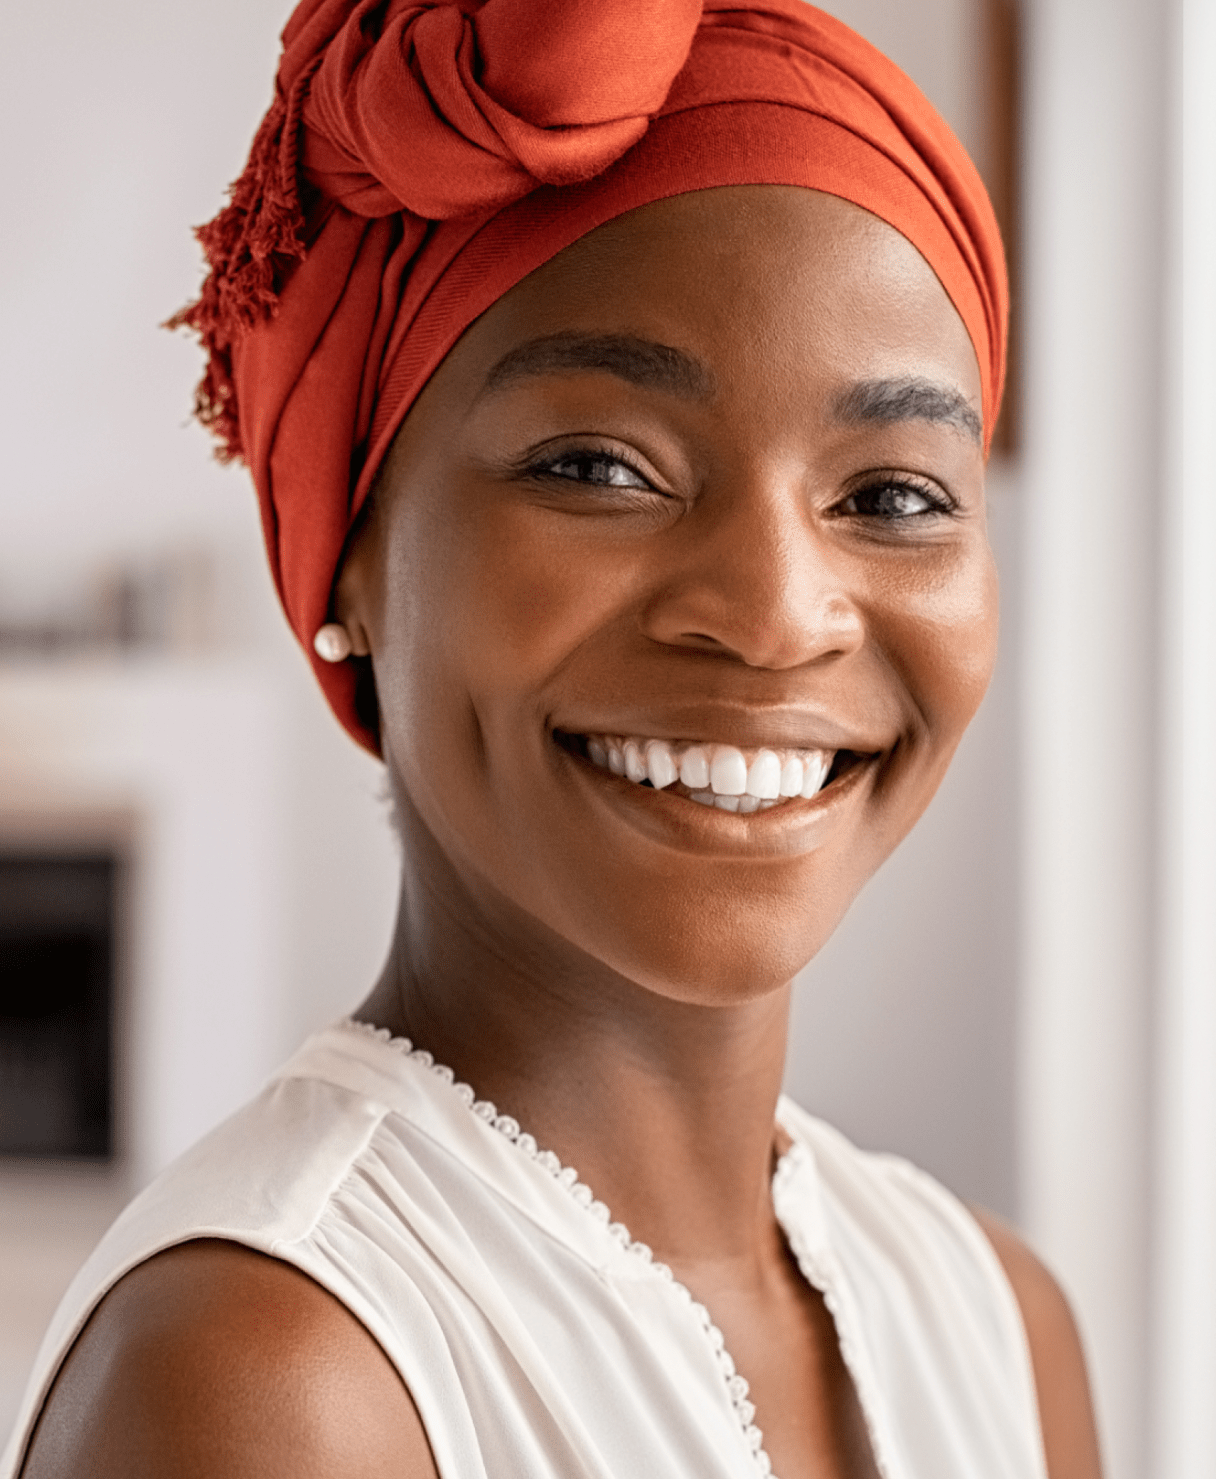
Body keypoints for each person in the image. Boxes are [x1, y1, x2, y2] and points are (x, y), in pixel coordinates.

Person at [4, 2, 1100, 1476]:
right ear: (346, 552)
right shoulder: (267, 1381)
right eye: (601, 466)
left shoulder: (999, 1319)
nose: (776, 615)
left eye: (893, 494)